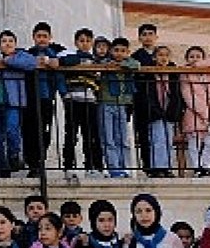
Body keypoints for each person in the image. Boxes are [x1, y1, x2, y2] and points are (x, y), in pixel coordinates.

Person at [0, 31, 37, 179]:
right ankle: (3, 167)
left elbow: (31, 63)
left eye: (10, 41)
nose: (7, 43)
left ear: (15, 44)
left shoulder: (21, 56)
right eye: (4, 41)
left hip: (13, 103)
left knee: (12, 130)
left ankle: (14, 156)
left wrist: (8, 61)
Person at [22, 22, 66, 178]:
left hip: (47, 97)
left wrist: (57, 62)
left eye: (44, 36)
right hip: (30, 98)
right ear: (33, 38)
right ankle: (32, 163)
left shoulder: (57, 52)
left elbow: (73, 58)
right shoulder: (28, 53)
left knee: (44, 131)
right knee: (29, 131)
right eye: (38, 36)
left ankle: (39, 162)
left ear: (50, 38)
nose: (41, 39)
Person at [59, 28, 104, 178]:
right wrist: (65, 94)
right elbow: (63, 62)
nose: (85, 44)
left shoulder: (96, 61)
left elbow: (99, 79)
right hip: (73, 100)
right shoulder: (71, 57)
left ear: (92, 43)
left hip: (90, 101)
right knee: (71, 134)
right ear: (76, 42)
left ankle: (93, 167)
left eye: (87, 41)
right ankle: (68, 166)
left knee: (91, 134)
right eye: (81, 41)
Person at [97, 37, 140, 178]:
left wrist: (123, 64)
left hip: (122, 104)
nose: (119, 54)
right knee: (108, 138)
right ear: (111, 51)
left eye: (123, 51)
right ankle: (113, 168)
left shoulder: (129, 63)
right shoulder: (104, 62)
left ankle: (125, 167)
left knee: (122, 138)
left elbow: (136, 64)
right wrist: (111, 65)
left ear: (127, 52)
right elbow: (100, 64)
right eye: (116, 50)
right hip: (106, 102)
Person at [180, 46, 210, 177]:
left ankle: (206, 167)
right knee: (195, 144)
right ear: (186, 59)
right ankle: (197, 168)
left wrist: (202, 63)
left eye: (198, 56)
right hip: (194, 113)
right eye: (191, 56)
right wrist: (205, 114)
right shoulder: (185, 73)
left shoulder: (208, 72)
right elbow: (188, 96)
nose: (194, 59)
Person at [140, 46, 184, 178]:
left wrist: (174, 111)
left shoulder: (172, 73)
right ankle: (157, 167)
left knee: (168, 140)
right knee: (157, 140)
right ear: (154, 57)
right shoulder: (150, 72)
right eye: (160, 55)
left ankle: (167, 167)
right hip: (156, 112)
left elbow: (176, 93)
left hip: (168, 111)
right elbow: (148, 94)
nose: (163, 58)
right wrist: (156, 110)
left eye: (166, 55)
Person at [131, 23, 160, 174]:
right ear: (139, 38)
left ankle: (162, 166)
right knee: (144, 135)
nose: (147, 37)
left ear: (156, 37)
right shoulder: (135, 57)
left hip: (160, 99)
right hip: (142, 99)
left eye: (150, 34)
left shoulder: (162, 54)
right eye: (144, 34)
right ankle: (148, 166)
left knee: (160, 135)